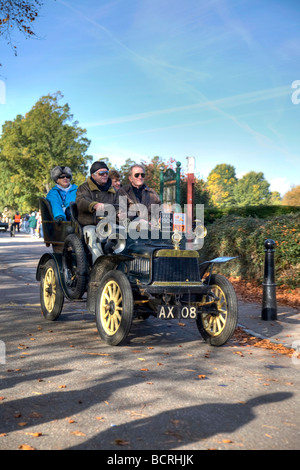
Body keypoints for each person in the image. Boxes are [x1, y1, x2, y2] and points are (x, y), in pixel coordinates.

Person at [76, 161, 117, 226]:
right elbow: (81, 201)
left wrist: (120, 213)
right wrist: (94, 205)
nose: (105, 175)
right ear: (93, 175)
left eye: (106, 173)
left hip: (110, 223)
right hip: (90, 224)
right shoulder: (84, 188)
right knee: (91, 234)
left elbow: (119, 205)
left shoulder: (114, 190)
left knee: (122, 232)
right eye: (101, 173)